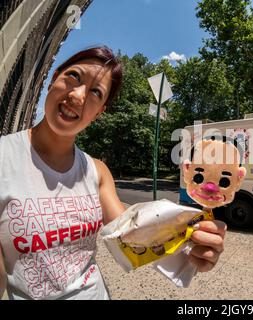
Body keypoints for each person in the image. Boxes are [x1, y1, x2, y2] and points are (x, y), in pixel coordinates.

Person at [0, 46, 226, 300]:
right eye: (74, 76)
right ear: (53, 79)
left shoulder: (97, 171)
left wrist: (192, 245)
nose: (77, 96)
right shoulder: (4, 158)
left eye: (96, 92)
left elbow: (136, 236)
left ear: (99, 113)